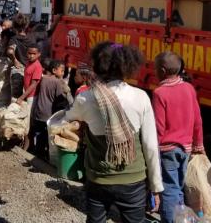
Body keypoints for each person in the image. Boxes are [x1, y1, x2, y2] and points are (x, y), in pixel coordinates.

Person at [65, 42, 163, 223]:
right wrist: (156, 185)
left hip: (98, 179)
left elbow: (68, 117)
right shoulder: (140, 97)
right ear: (127, 65)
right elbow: (150, 145)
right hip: (133, 180)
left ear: (97, 66)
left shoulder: (85, 98)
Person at [151, 51, 204, 223]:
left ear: (163, 70)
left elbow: (158, 127)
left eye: (155, 68)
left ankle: (169, 220)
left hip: (168, 150)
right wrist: (199, 144)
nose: (154, 71)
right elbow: (197, 120)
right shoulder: (189, 88)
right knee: (178, 187)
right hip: (186, 148)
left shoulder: (160, 93)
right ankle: (180, 218)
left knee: (169, 189)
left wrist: (152, 151)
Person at [30, 59, 73, 159]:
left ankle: (37, 153)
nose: (63, 73)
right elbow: (59, 99)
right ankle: (42, 157)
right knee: (45, 137)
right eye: (62, 71)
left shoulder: (44, 79)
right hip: (48, 115)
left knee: (38, 134)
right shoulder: (57, 82)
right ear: (54, 70)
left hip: (38, 112)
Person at [7, 13, 35, 98]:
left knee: (16, 99)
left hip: (18, 71)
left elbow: (10, 52)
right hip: (30, 71)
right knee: (29, 97)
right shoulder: (31, 39)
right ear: (26, 26)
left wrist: (15, 61)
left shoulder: (14, 39)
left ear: (14, 26)